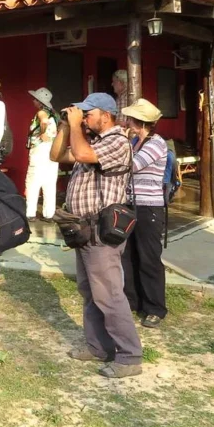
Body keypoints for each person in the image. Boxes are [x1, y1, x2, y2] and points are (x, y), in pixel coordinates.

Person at [49, 92, 143, 379]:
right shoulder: (90, 141)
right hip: (83, 229)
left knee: (109, 295)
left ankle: (129, 357)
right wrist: (65, 126)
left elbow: (81, 154)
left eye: (88, 114)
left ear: (106, 114)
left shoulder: (116, 141)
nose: (85, 118)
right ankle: (98, 346)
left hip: (102, 232)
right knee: (89, 292)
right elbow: (56, 155)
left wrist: (76, 128)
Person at [120, 99, 168, 328]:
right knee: (128, 255)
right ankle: (132, 300)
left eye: (130, 118)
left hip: (149, 208)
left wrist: (123, 142)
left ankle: (155, 307)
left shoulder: (156, 144)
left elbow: (131, 165)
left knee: (149, 258)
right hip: (131, 205)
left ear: (138, 122)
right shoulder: (136, 141)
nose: (126, 121)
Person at [25, 87, 60, 222]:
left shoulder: (41, 112)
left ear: (40, 102)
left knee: (33, 181)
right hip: (52, 149)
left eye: (35, 99)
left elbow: (43, 120)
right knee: (50, 181)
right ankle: (49, 214)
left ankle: (30, 212)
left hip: (39, 149)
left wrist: (43, 132)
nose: (34, 101)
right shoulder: (55, 114)